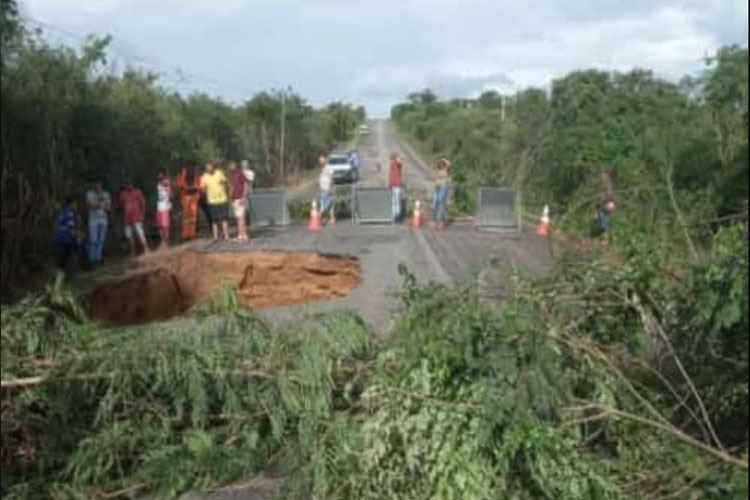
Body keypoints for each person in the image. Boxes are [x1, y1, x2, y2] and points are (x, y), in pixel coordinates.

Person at [54, 197, 89, 271]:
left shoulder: (64, 212)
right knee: (81, 248)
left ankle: (62, 269)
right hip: (65, 238)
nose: (76, 205)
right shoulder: (69, 213)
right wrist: (78, 237)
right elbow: (71, 228)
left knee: (65, 255)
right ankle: (85, 267)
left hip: (63, 238)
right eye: (75, 204)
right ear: (71, 204)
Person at [200, 161, 230, 241]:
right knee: (214, 220)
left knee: (224, 218)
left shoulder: (219, 173)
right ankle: (216, 237)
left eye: (210, 166)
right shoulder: (204, 177)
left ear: (213, 166)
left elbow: (225, 182)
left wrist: (225, 190)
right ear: (206, 168)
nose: (209, 168)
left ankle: (226, 236)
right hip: (212, 201)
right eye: (207, 167)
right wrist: (204, 191)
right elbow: (202, 188)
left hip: (222, 199)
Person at [119, 181, 149, 255]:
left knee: (140, 234)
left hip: (136, 217)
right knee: (129, 236)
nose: (129, 186)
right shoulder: (122, 194)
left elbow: (143, 203)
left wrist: (142, 214)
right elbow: (121, 205)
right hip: (127, 218)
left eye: (130, 184)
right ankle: (133, 251)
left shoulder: (137, 192)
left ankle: (146, 249)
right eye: (127, 184)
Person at [85, 181, 111, 265]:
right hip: (93, 220)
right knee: (93, 239)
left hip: (103, 219)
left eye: (100, 186)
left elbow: (108, 207)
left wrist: (100, 205)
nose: (98, 187)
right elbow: (91, 206)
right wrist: (101, 204)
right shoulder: (90, 194)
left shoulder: (106, 194)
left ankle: (98, 258)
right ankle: (91, 258)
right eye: (97, 185)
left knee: (101, 239)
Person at [176, 164, 201, 240]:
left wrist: (195, 188)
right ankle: (186, 234)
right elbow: (179, 184)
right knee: (186, 216)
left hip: (193, 196)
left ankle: (191, 234)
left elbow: (199, 184)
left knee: (193, 215)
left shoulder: (196, 173)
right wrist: (185, 187)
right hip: (186, 196)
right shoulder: (182, 173)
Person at [228, 161, 249, 241]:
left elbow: (246, 185)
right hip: (234, 199)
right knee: (238, 217)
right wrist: (229, 198)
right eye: (230, 165)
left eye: (233, 165)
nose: (231, 166)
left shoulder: (240, 173)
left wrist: (244, 197)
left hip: (241, 198)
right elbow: (231, 187)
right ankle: (240, 235)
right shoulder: (230, 175)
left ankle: (245, 235)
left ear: (235, 165)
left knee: (241, 217)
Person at [432, 158, 452, 229]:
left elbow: (449, 163)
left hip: (443, 187)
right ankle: (434, 221)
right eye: (440, 163)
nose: (441, 164)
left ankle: (442, 222)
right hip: (437, 187)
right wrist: (439, 160)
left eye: (442, 163)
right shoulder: (438, 170)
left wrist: (444, 159)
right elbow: (436, 164)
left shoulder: (446, 169)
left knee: (441, 204)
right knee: (435, 204)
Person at [156, 169, 172, 250]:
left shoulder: (166, 183)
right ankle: (163, 241)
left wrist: (167, 188)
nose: (159, 176)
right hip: (159, 207)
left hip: (165, 207)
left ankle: (166, 243)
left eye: (160, 175)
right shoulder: (158, 184)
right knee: (159, 226)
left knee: (165, 226)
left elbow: (170, 195)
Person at [597, 169, 615, 242]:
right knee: (602, 219)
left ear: (606, 175)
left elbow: (609, 194)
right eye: (601, 175)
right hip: (602, 205)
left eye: (603, 175)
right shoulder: (603, 183)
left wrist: (605, 200)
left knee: (605, 220)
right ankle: (603, 237)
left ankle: (606, 239)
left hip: (606, 204)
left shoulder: (608, 183)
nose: (602, 176)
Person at [318, 154, 336, 225]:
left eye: (322, 160)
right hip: (325, 189)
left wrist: (328, 188)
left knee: (324, 205)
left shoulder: (329, 167)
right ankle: (332, 219)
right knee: (331, 205)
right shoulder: (323, 168)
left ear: (326, 160)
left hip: (327, 189)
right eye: (319, 160)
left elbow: (331, 178)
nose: (320, 162)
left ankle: (318, 219)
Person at [389, 153, 403, 221]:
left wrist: (397, 158)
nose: (390, 160)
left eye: (391, 159)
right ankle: (393, 216)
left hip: (397, 186)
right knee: (393, 201)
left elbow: (400, 162)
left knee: (396, 201)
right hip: (392, 185)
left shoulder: (398, 164)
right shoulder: (391, 165)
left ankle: (397, 216)